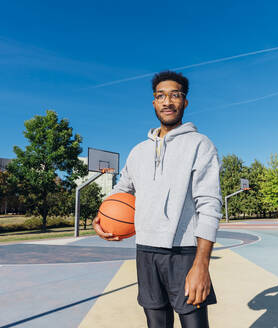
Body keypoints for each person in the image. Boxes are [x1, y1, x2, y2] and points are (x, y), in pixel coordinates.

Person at [93, 70, 223, 328]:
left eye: (175, 95)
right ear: (153, 102)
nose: (167, 101)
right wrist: (102, 217)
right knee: (156, 324)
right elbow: (122, 190)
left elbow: (209, 204)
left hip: (184, 252)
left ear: (185, 102)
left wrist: (202, 264)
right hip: (146, 250)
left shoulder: (200, 144)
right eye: (160, 96)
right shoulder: (138, 151)